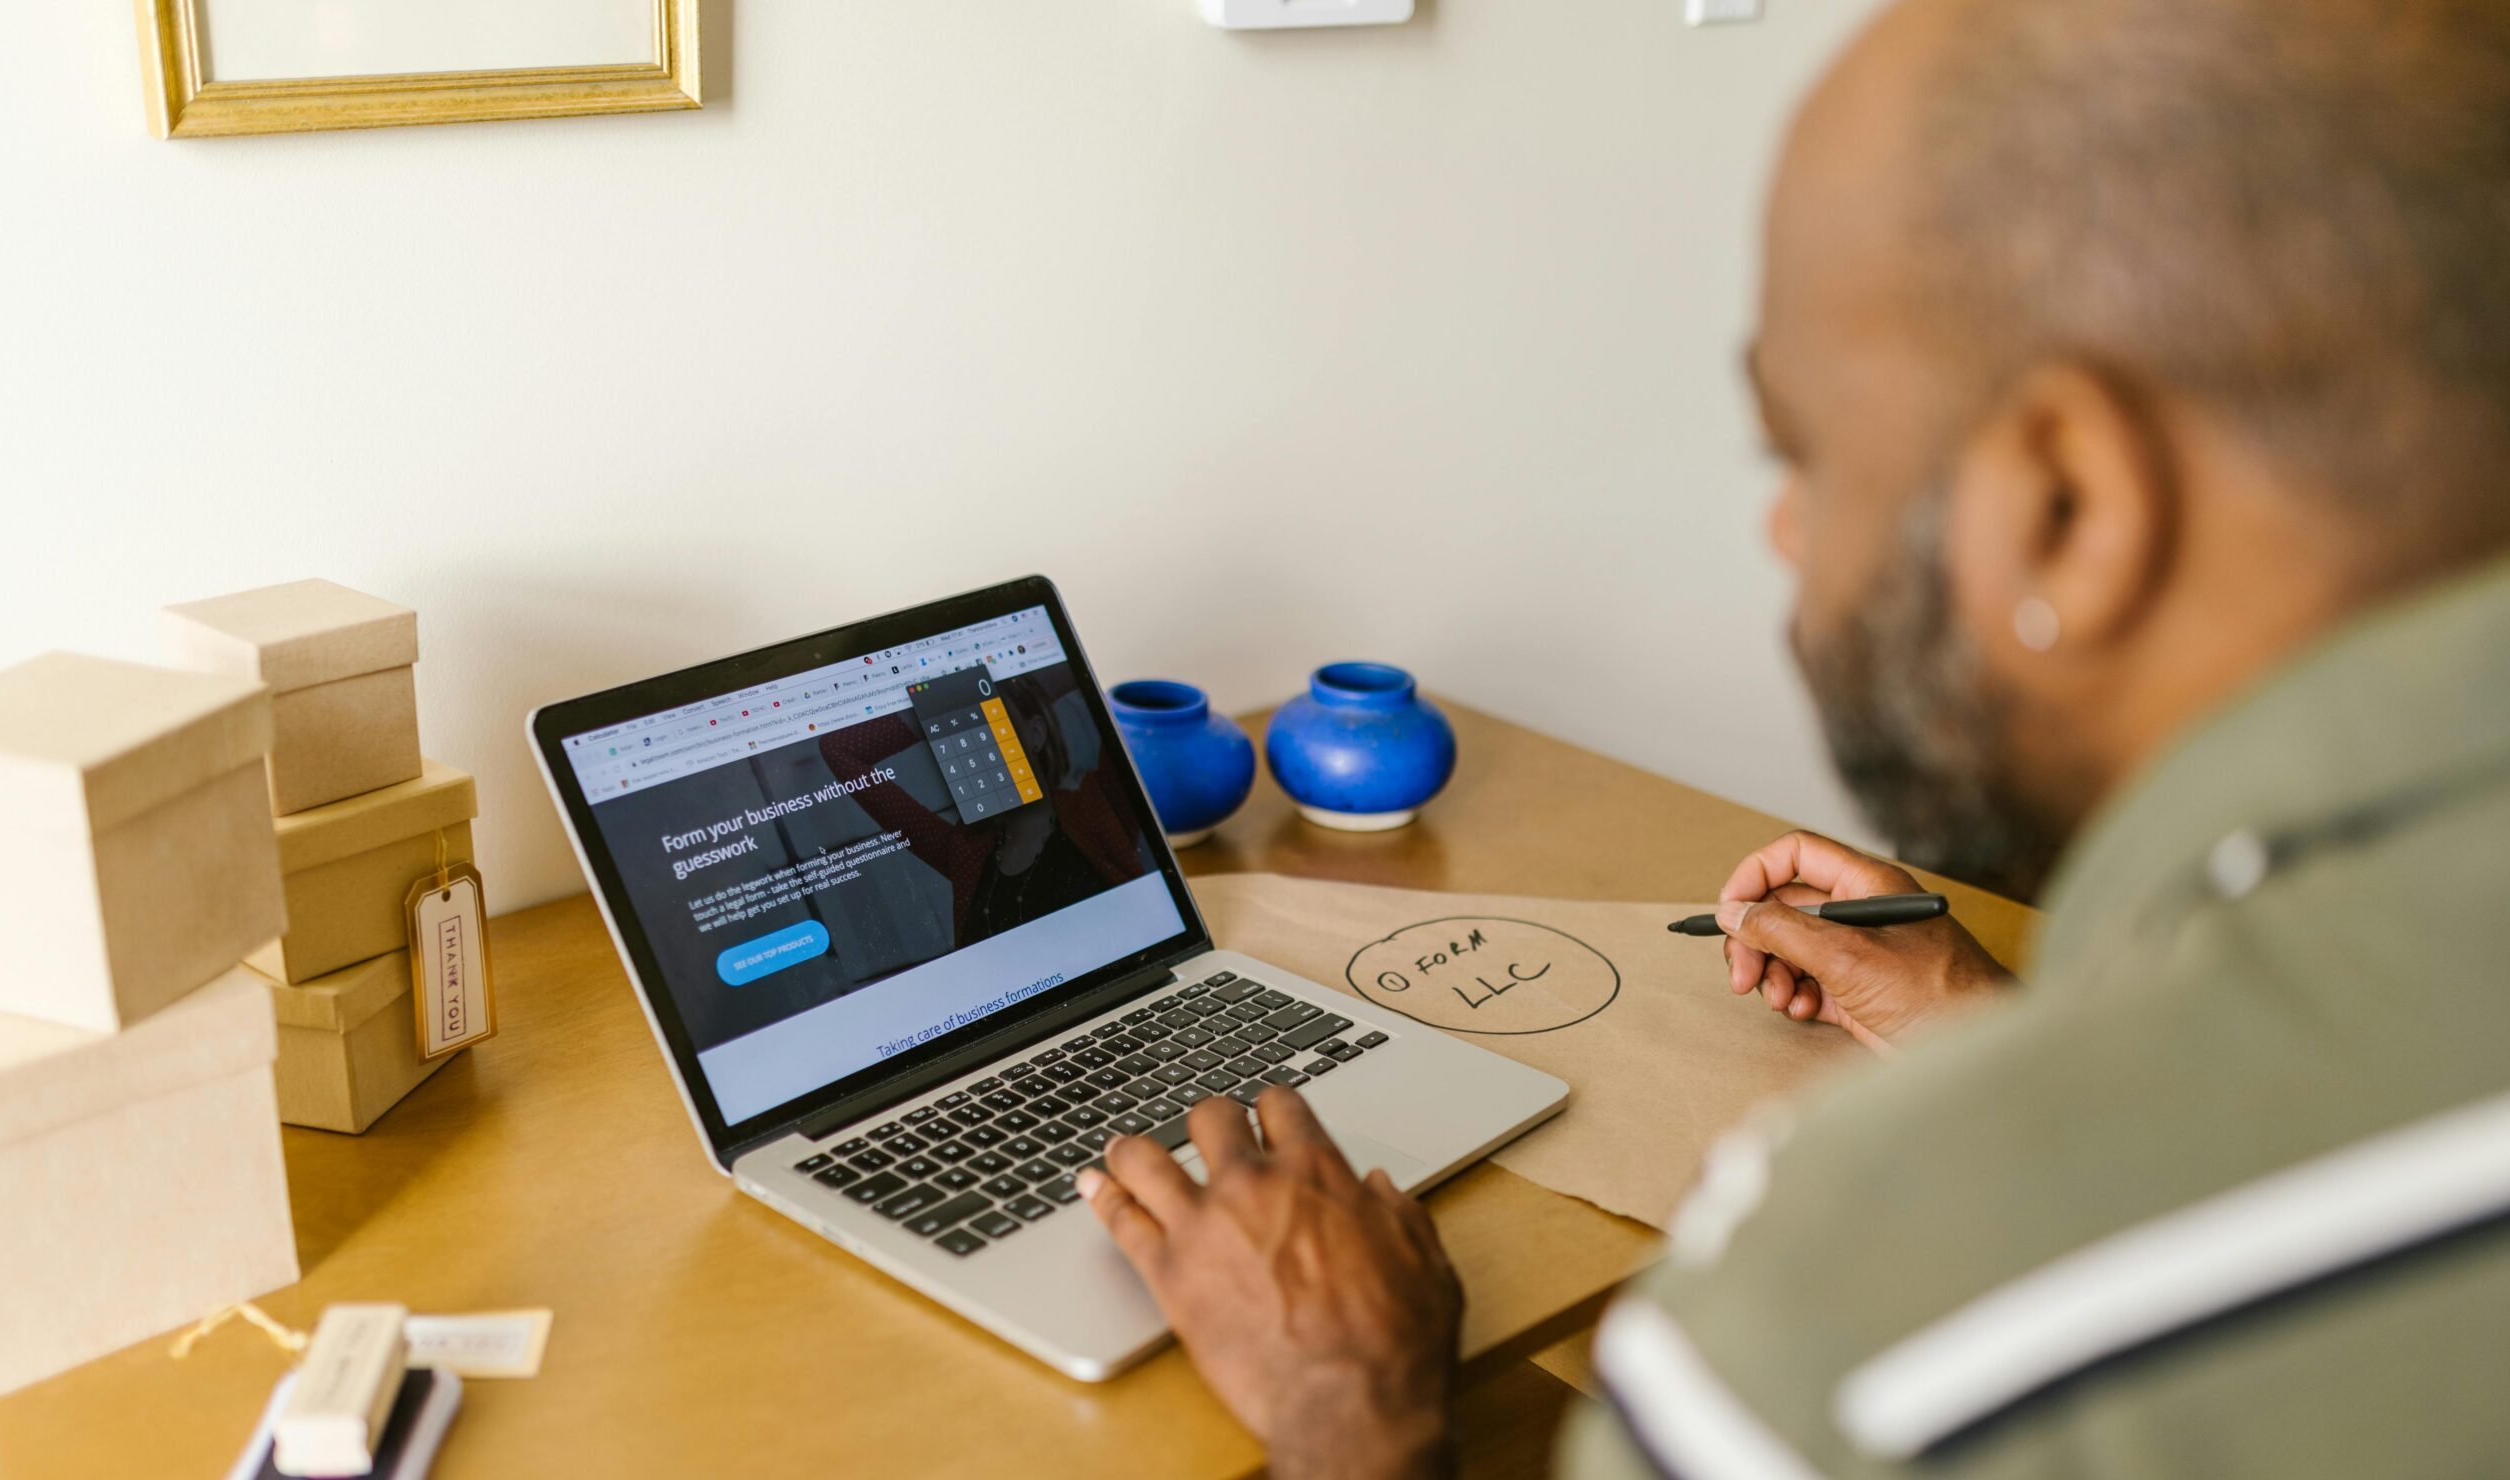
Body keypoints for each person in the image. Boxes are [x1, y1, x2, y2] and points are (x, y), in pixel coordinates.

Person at [1073, 0, 2510, 1473]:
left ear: (2069, 507)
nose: (1783, 529)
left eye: (1805, 455)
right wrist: (1990, 1027)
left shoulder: (1867, 1328)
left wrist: (1351, 1406)